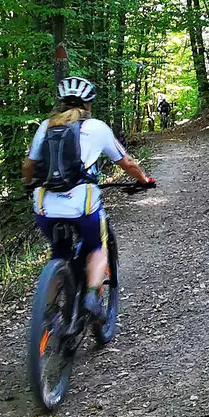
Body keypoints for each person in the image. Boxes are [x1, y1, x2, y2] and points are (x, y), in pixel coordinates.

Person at [22, 76, 154, 319]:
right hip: (81, 206)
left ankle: (48, 313)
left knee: (58, 253)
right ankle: (91, 297)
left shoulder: (46, 126)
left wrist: (29, 185)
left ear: (62, 102)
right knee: (96, 245)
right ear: (89, 104)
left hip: (45, 207)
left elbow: (29, 166)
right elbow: (126, 163)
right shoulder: (97, 128)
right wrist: (144, 180)